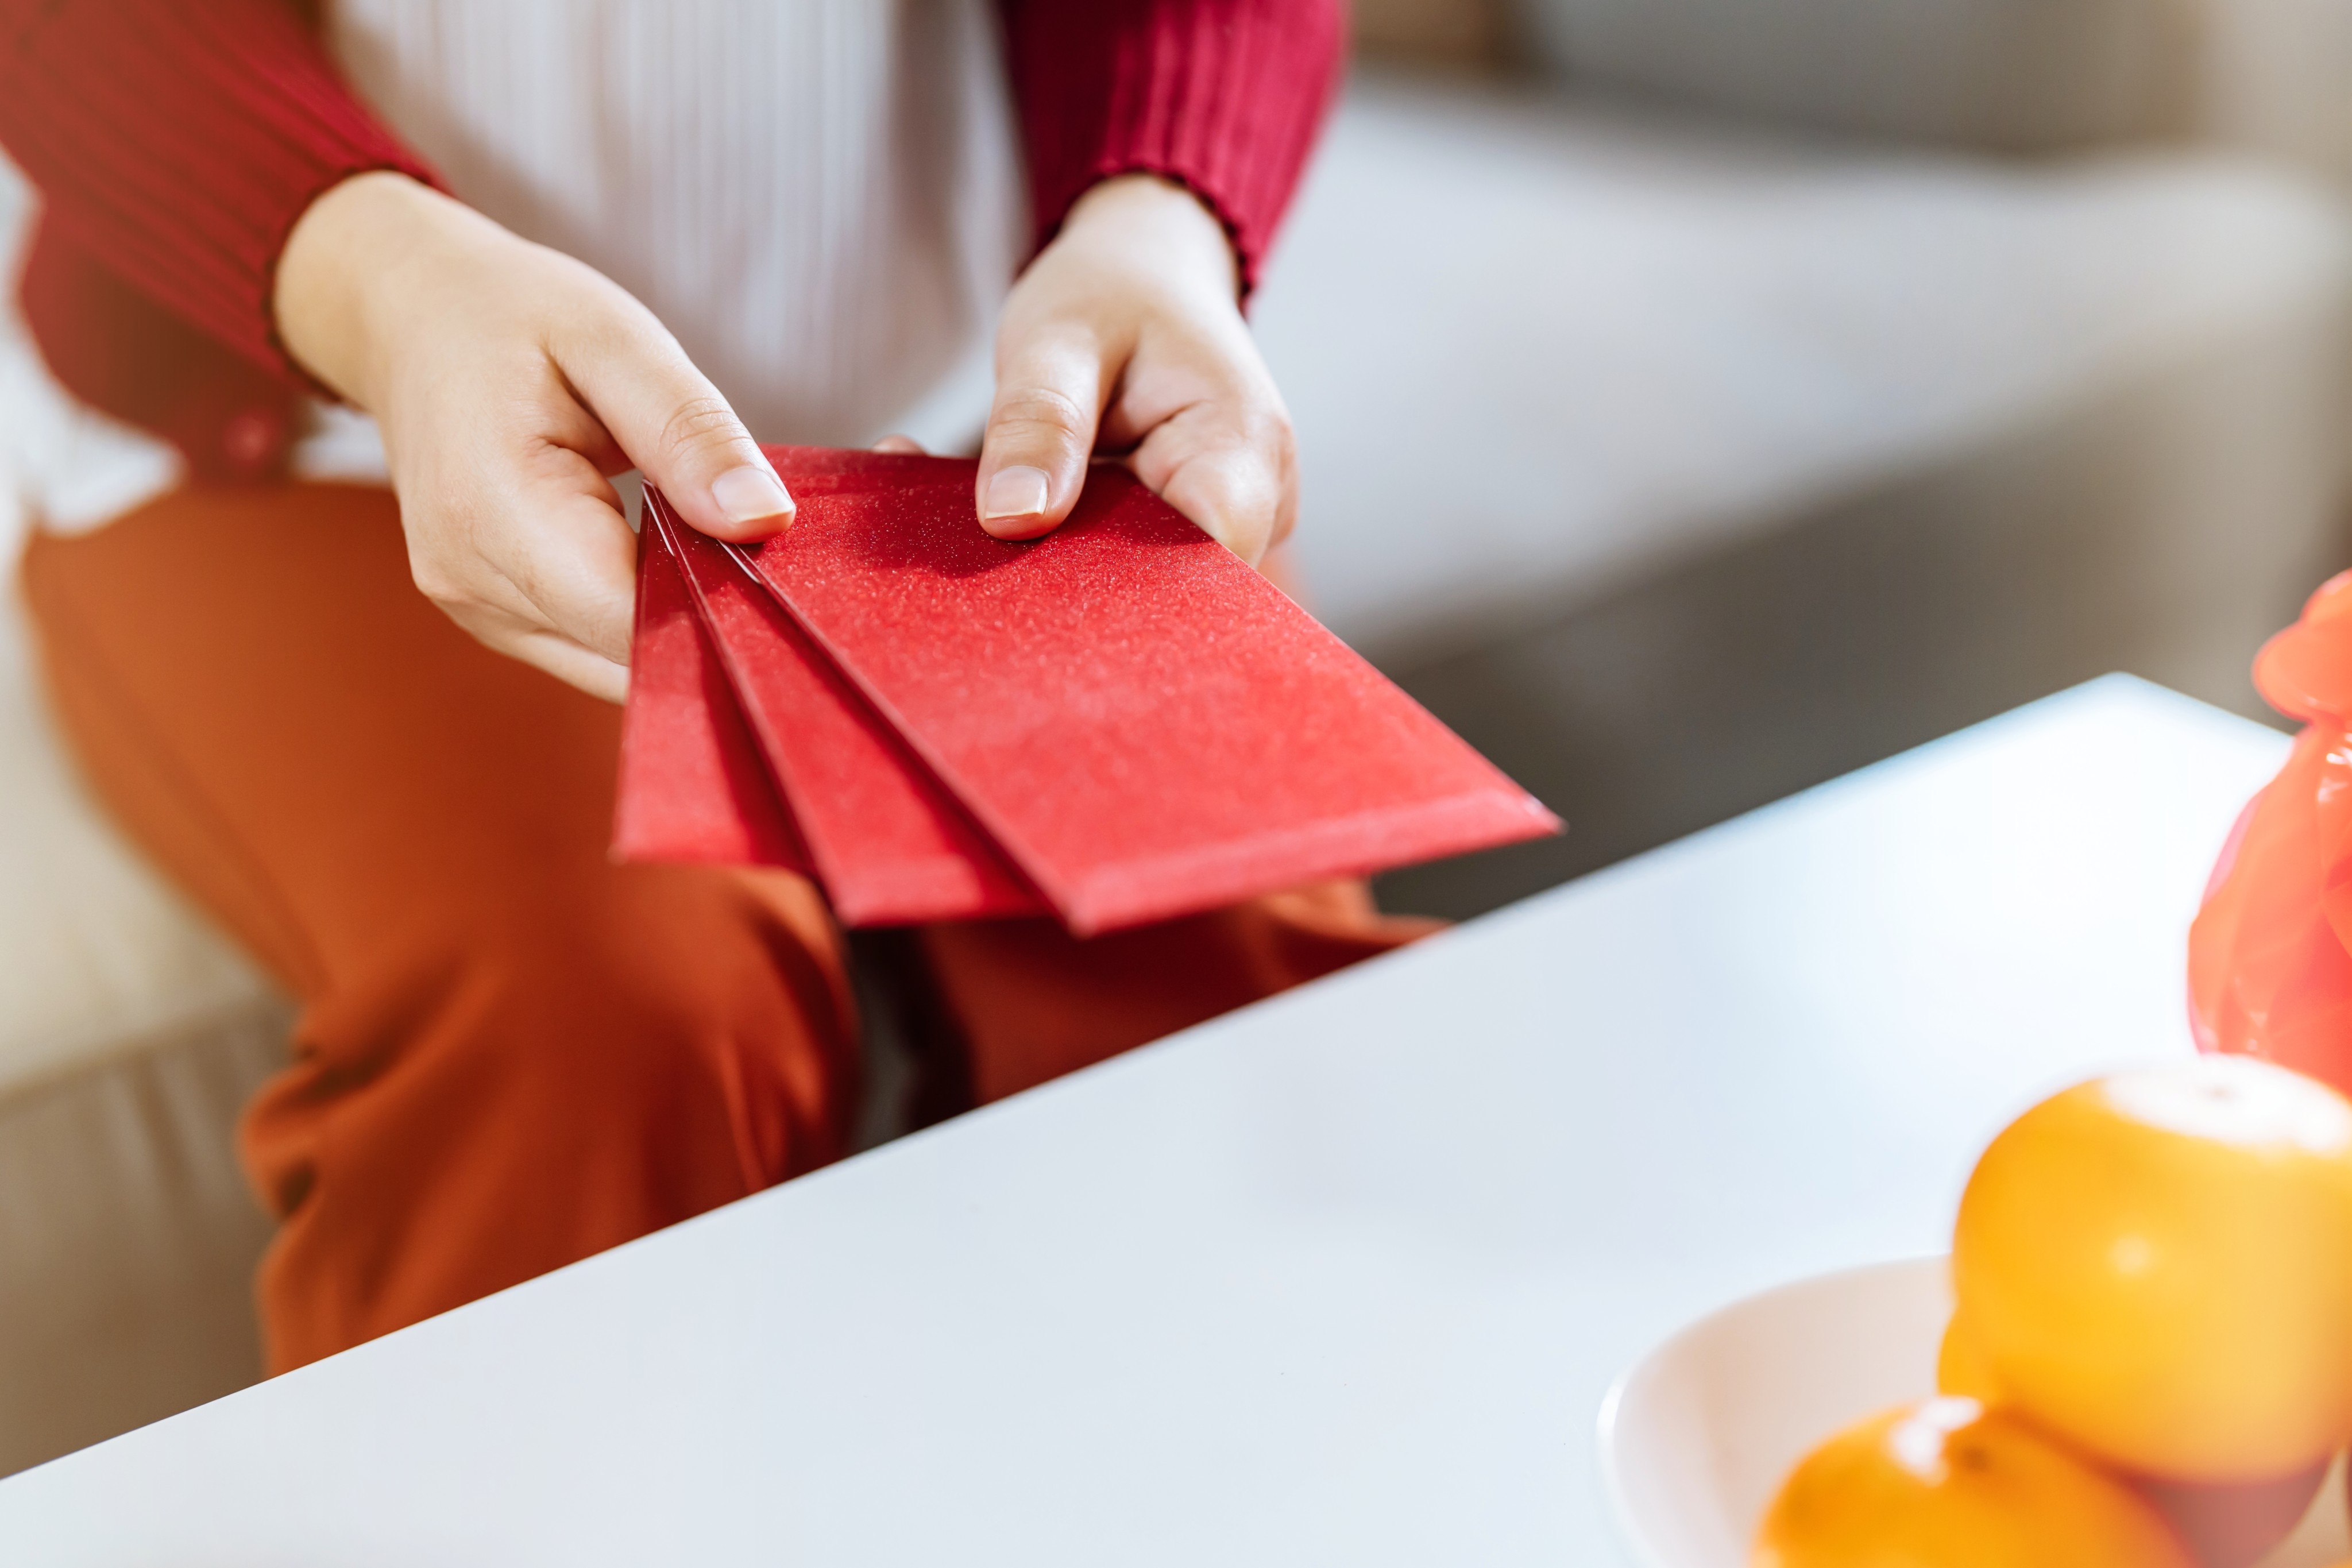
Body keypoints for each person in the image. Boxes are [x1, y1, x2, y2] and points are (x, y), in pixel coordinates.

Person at [0, 0, 1431, 1374]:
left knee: (1240, 1032)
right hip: (309, 436)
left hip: (972, 418)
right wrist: (382, 287)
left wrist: (1155, 211)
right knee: (606, 1037)